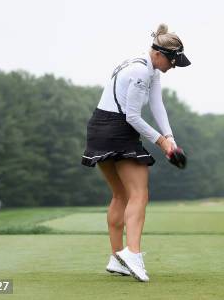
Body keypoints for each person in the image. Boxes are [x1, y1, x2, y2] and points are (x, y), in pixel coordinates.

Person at [80, 23, 191, 282]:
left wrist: (171, 138)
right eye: (173, 61)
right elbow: (132, 116)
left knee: (120, 194)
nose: (174, 66)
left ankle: (117, 257)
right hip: (118, 127)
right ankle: (133, 254)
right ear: (159, 54)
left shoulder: (147, 67)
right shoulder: (142, 71)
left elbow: (157, 104)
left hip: (99, 127)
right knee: (139, 193)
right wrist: (161, 142)